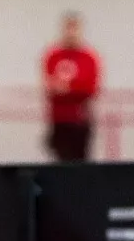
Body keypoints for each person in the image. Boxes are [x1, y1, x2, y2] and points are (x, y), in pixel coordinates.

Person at [42, 13, 101, 163]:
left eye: (74, 28)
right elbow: (49, 87)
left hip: (80, 120)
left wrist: (68, 89)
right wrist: (67, 90)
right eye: (68, 28)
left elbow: (90, 89)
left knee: (80, 162)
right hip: (59, 120)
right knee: (60, 160)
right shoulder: (53, 56)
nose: (71, 32)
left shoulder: (89, 58)